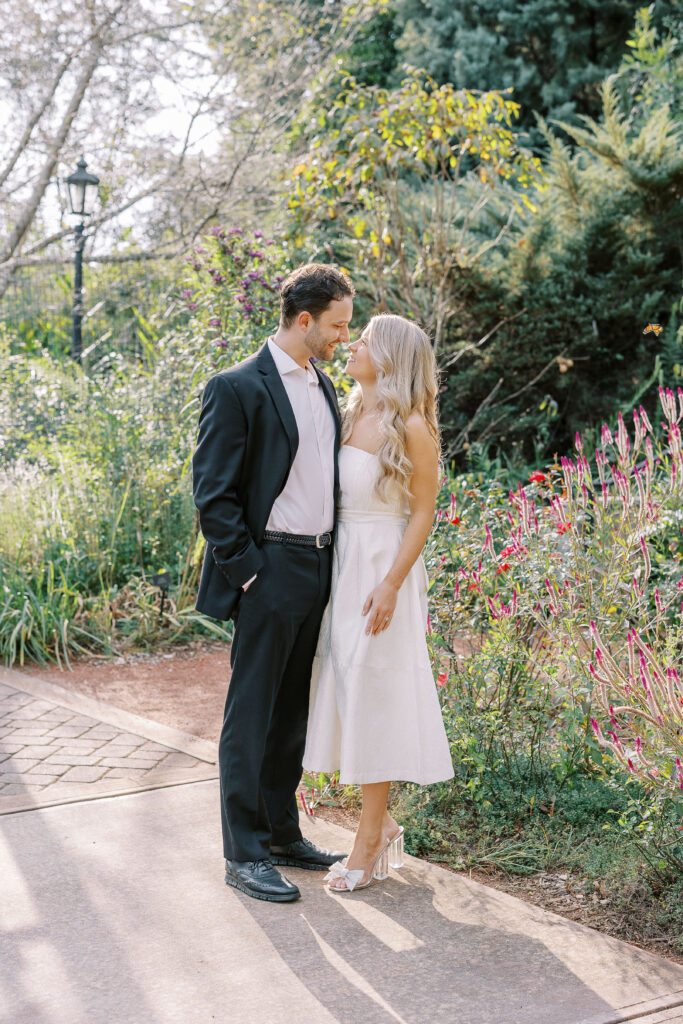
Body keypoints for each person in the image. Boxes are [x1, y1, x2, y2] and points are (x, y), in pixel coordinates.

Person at [192, 263, 354, 903]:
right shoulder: (237, 387)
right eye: (338, 325)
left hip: (318, 566)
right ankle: (244, 852)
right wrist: (251, 572)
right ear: (305, 319)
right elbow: (213, 494)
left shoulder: (324, 386)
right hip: (270, 568)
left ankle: (283, 834)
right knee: (251, 712)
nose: (345, 336)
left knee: (291, 712)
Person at [303, 313, 454, 893]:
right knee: (343, 688)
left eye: (363, 339)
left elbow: (423, 511)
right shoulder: (346, 415)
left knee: (374, 693)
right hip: (343, 566)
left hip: (382, 570)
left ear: (388, 357)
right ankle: (381, 822)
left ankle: (367, 841)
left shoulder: (411, 426)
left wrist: (391, 582)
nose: (352, 344)